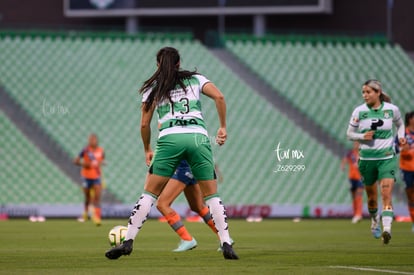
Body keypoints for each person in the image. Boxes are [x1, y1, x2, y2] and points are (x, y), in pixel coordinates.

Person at [105, 47, 238, 260]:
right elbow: (219, 97)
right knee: (211, 196)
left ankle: (128, 241)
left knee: (149, 194)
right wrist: (222, 127)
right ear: (179, 63)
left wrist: (147, 149)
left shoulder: (154, 88)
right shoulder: (196, 79)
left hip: (169, 140)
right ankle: (226, 242)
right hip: (198, 138)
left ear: (158, 65)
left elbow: (144, 125)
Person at [347, 79, 406, 244]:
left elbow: (400, 125)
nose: (365, 95)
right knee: (372, 199)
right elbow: (349, 134)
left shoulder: (391, 110)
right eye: (363, 92)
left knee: (386, 194)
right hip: (366, 160)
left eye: (368, 92)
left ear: (378, 93)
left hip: (387, 158)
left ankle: (387, 229)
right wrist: (361, 136)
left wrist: (400, 137)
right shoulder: (359, 111)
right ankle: (374, 219)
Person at [157, 160, 224, 252]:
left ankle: (187, 239)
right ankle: (224, 238)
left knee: (162, 205)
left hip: (183, 168)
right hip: (191, 167)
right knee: (197, 206)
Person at [73, 133, 105, 226]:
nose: (92, 141)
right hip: (86, 177)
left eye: (94, 139)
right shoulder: (85, 150)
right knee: (87, 197)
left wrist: (102, 163)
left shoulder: (101, 150)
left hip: (96, 177)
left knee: (97, 197)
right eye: (90, 139)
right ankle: (86, 213)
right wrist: (85, 164)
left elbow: (101, 161)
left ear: (97, 140)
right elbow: (76, 161)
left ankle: (97, 218)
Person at [395, 111, 414, 232]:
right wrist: (402, 148)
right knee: (411, 197)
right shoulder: (402, 133)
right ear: (410, 119)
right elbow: (394, 148)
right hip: (407, 168)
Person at [341, 141, 364, 223]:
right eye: (355, 143)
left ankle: (359, 214)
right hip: (352, 177)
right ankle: (355, 214)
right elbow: (344, 160)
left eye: (357, 143)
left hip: (360, 178)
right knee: (354, 196)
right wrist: (343, 166)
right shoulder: (351, 153)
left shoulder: (363, 153)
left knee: (359, 195)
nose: (356, 145)